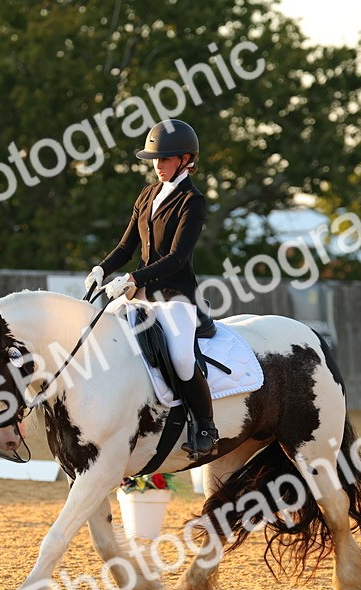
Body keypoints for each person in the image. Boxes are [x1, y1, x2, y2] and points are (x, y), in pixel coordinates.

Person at [85, 119, 219, 458]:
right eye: (155, 159)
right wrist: (102, 268)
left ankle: (206, 425)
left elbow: (176, 258)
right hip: (141, 295)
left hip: (175, 296)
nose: (158, 165)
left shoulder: (192, 201)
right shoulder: (147, 195)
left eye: (166, 159)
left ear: (187, 159)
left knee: (181, 359)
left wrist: (131, 279)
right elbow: (126, 247)